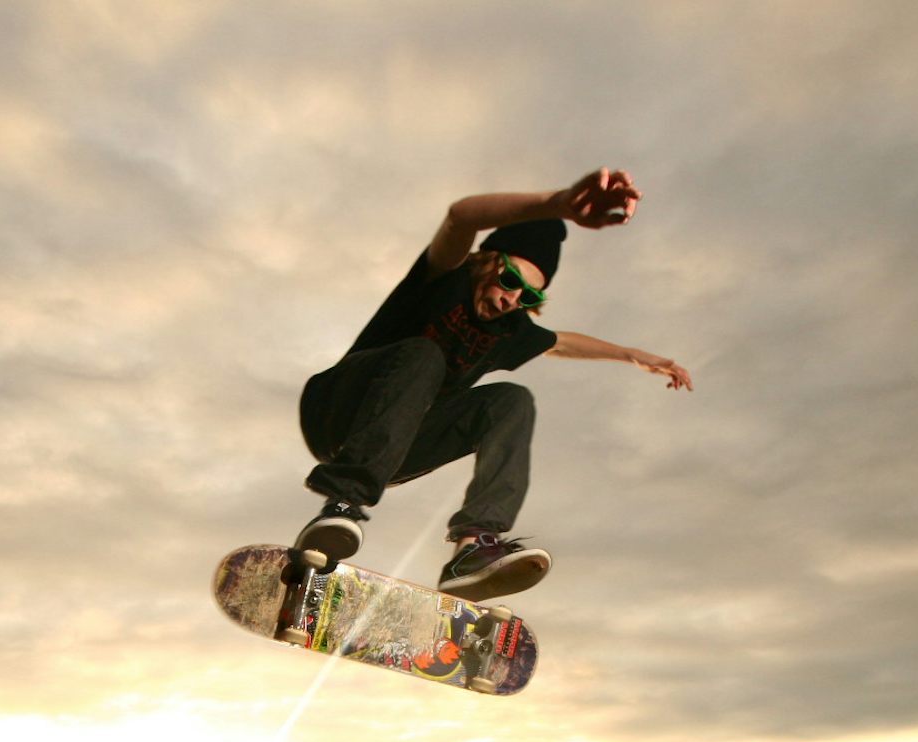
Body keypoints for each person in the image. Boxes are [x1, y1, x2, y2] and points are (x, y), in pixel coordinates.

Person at [293, 167, 694, 600]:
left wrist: (637, 356)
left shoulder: (509, 329)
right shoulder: (445, 277)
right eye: (508, 281)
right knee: (426, 356)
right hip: (337, 411)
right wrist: (554, 204)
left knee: (512, 400)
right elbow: (460, 217)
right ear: (487, 260)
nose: (510, 300)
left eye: (529, 297)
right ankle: (342, 504)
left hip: (397, 446)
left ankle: (473, 548)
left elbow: (562, 343)